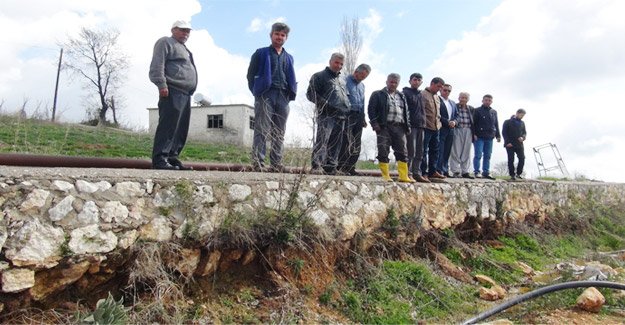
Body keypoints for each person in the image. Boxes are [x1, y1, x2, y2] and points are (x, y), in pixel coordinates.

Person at [246, 22, 297, 173]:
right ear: (271, 35)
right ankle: (258, 162)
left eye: (283, 35)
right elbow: (250, 75)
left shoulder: (289, 57)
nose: (279, 37)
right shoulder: (261, 53)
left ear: (286, 38)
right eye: (277, 34)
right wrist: (257, 91)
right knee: (262, 128)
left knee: (279, 131)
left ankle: (276, 163)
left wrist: (289, 94)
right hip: (266, 94)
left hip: (283, 96)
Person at [149, 20, 198, 170]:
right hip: (172, 89)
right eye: (182, 30)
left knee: (180, 128)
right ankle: (160, 159)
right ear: (173, 29)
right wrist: (161, 84)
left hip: (185, 93)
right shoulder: (165, 42)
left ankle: (172, 156)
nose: (186, 33)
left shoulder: (184, 48)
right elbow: (157, 64)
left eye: (188, 31)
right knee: (168, 126)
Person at [306, 53, 351, 175]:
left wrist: (347, 108)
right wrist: (327, 106)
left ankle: (331, 167)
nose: (339, 66)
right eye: (337, 62)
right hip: (326, 115)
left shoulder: (342, 80)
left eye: (341, 64)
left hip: (341, 116)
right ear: (330, 61)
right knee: (323, 140)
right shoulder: (319, 76)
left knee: (336, 143)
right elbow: (311, 94)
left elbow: (345, 97)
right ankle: (317, 166)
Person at [368, 73, 414, 183]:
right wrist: (375, 124)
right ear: (386, 82)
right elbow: (371, 110)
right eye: (391, 82)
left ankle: (403, 176)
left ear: (398, 83)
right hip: (384, 126)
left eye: (395, 82)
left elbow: (406, 112)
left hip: (400, 127)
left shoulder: (402, 96)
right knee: (383, 150)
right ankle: (385, 175)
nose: (393, 84)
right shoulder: (378, 94)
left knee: (403, 152)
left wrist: (407, 126)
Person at [337, 64, 371, 176]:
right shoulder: (344, 80)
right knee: (345, 141)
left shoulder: (362, 86)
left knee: (356, 142)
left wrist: (363, 117)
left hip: (359, 115)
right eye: (361, 75)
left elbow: (362, 101)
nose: (362, 78)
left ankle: (351, 168)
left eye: (365, 77)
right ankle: (341, 167)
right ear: (356, 71)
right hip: (347, 114)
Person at [403, 73, 429, 183]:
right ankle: (407, 173)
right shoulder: (405, 93)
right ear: (410, 81)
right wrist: (406, 124)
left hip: (421, 126)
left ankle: (417, 173)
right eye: (414, 80)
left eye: (419, 80)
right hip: (411, 126)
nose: (416, 82)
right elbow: (405, 110)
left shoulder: (422, 95)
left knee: (420, 152)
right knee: (410, 151)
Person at [420, 77, 446, 180]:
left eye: (441, 87)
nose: (439, 89)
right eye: (438, 86)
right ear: (432, 84)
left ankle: (433, 171)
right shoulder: (422, 94)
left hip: (436, 127)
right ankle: (423, 172)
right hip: (426, 126)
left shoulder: (437, 97)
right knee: (423, 150)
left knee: (435, 150)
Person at [472, 94, 501, 180]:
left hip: (490, 136)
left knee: (488, 155)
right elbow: (473, 123)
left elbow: (496, 124)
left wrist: (498, 135)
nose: (487, 102)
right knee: (478, 154)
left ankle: (486, 172)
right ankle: (477, 171)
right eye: (486, 100)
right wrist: (474, 134)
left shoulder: (494, 112)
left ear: (491, 101)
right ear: (482, 101)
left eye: (489, 100)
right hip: (479, 136)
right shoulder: (477, 110)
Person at [449, 92, 475, 178]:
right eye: (461, 97)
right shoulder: (454, 106)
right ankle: (456, 171)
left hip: (468, 130)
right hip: (457, 129)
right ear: (459, 98)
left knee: (466, 151)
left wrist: (474, 133)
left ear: (468, 99)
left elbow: (474, 121)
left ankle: (465, 171)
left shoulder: (471, 109)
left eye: (465, 98)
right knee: (456, 150)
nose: (463, 99)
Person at [436, 84, 457, 177]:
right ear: (441, 90)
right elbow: (437, 114)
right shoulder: (437, 100)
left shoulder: (452, 103)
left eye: (449, 91)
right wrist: (447, 122)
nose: (447, 92)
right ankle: (438, 169)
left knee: (447, 151)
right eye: (445, 90)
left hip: (451, 129)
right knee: (439, 150)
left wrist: (455, 122)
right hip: (441, 127)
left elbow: (457, 115)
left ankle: (445, 170)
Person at [502, 109, 527, 180]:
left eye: (523, 116)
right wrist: (507, 142)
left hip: (519, 144)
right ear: (517, 113)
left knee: (522, 158)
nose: (522, 117)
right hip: (510, 144)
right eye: (521, 115)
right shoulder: (507, 122)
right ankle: (512, 174)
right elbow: (504, 133)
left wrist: (523, 137)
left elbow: (524, 132)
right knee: (511, 159)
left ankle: (518, 174)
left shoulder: (522, 123)